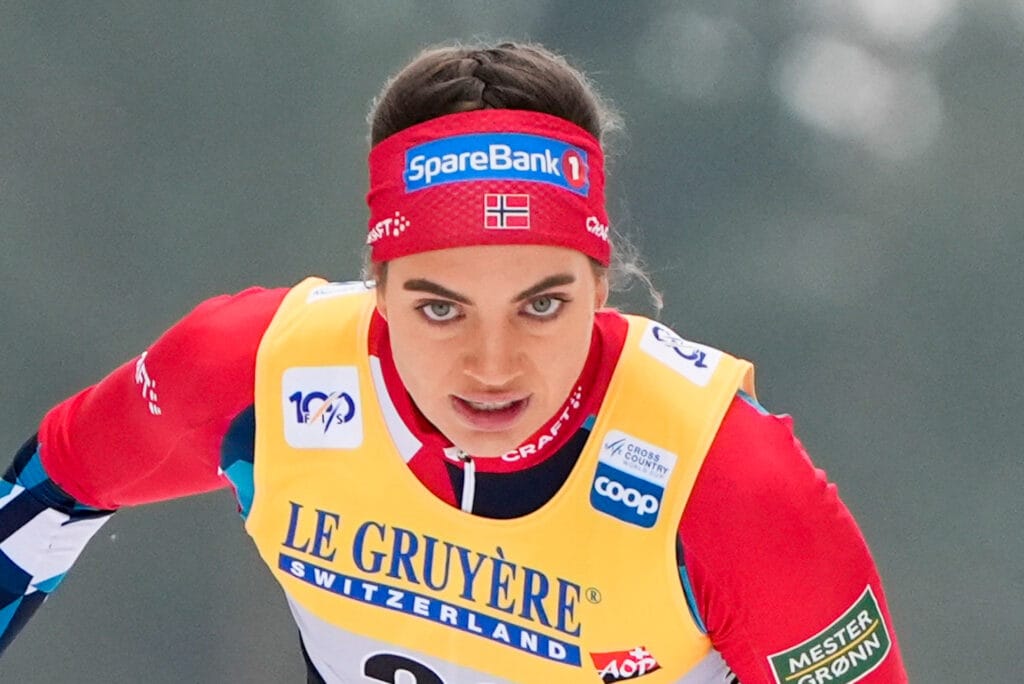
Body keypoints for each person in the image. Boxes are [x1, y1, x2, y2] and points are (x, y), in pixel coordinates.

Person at [0, 41, 907, 683]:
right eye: (440, 308)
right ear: (378, 288)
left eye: (541, 305)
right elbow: (51, 493)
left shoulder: (728, 484)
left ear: (602, 288)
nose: (492, 364)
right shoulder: (257, 374)